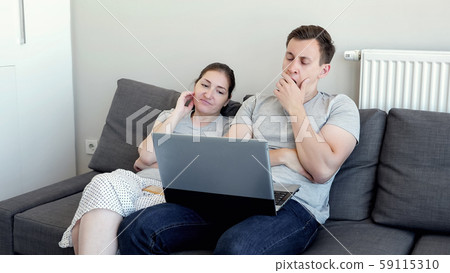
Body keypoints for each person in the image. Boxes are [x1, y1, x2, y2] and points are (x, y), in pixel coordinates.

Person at [117, 25, 360, 255]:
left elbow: (321, 170)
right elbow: (230, 157)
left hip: (294, 207)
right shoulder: (255, 103)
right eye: (289, 57)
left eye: (304, 61)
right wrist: (287, 157)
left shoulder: (339, 106)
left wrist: (295, 107)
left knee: (236, 247)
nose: (292, 67)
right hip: (234, 197)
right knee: (138, 227)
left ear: (323, 70)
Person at [59, 62, 240, 254]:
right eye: (205, 85)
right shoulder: (170, 116)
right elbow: (145, 156)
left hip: (171, 193)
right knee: (102, 182)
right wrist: (178, 113)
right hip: (139, 182)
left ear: (227, 100)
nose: (208, 94)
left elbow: (209, 173)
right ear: (195, 86)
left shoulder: (231, 128)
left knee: (86, 226)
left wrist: (157, 162)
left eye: (219, 91)